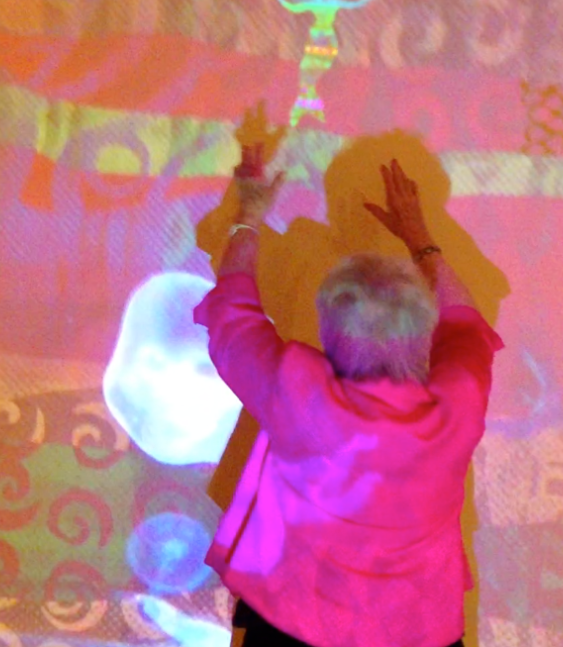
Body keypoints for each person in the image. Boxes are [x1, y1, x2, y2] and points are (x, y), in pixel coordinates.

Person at [194, 141, 503, 647]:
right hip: (417, 632)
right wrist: (420, 238)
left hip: (291, 620)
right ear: (421, 328)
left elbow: (232, 315)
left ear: (330, 328)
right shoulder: (457, 405)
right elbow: (466, 327)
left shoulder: (299, 391)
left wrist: (248, 214)